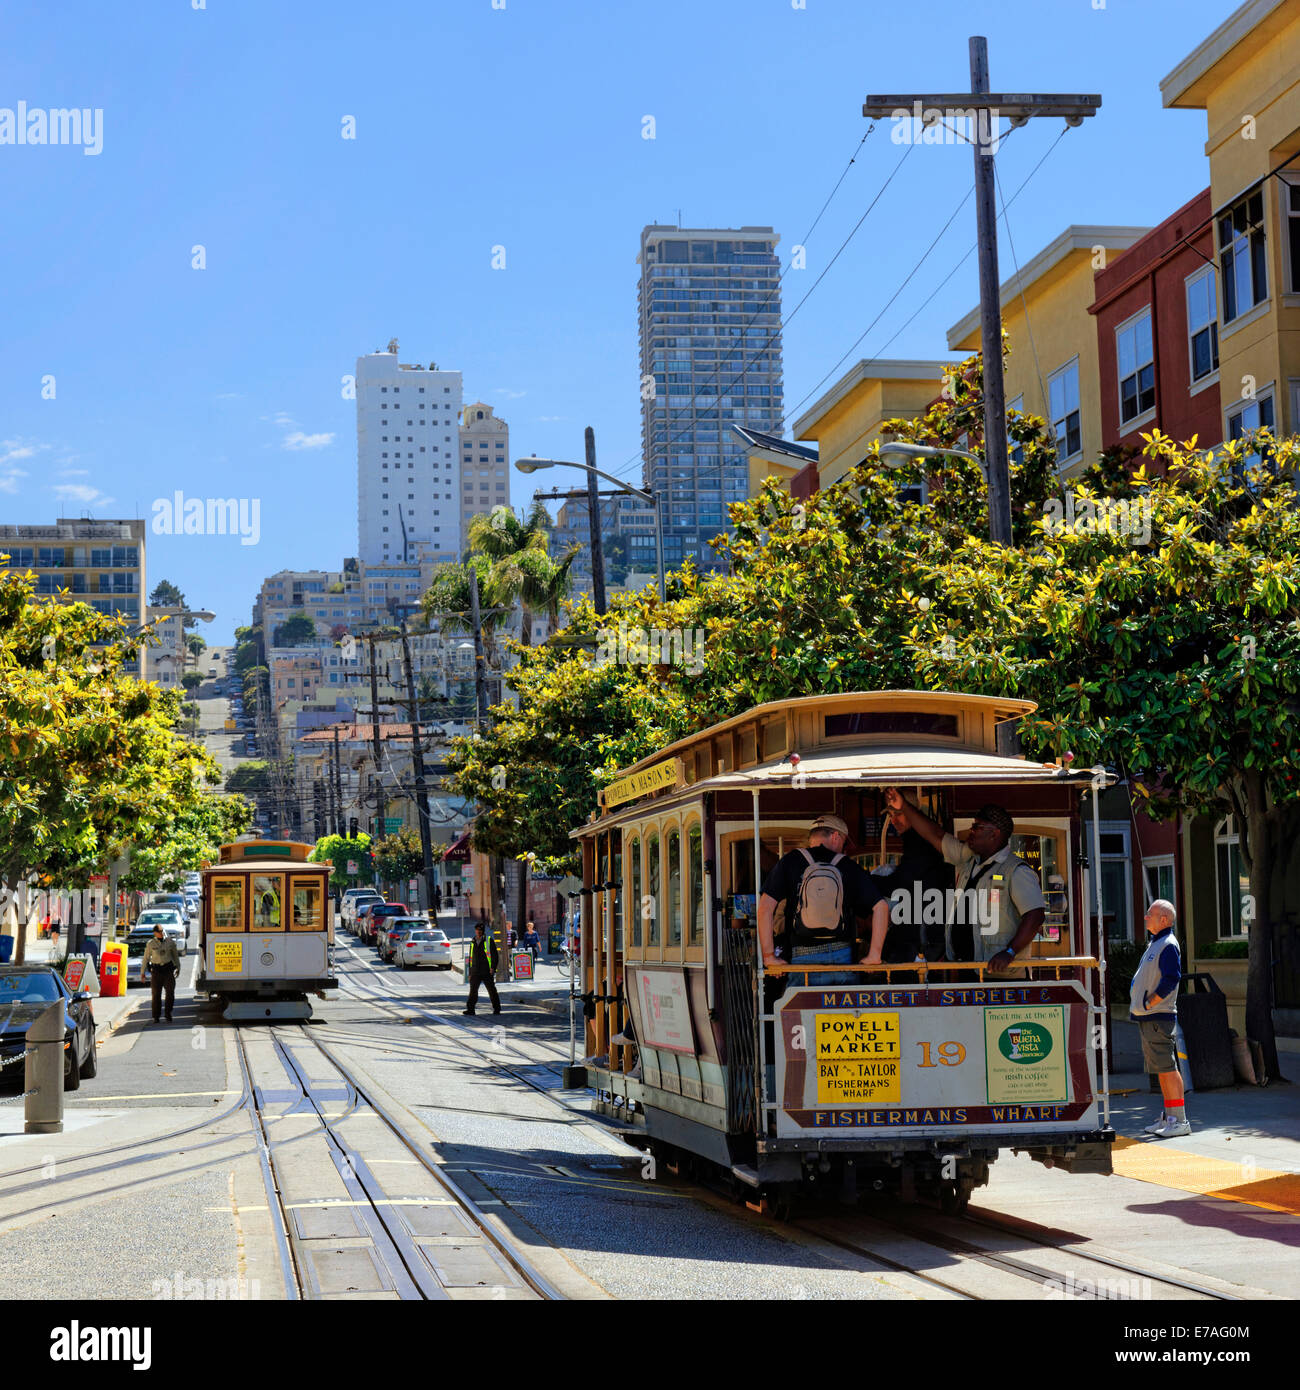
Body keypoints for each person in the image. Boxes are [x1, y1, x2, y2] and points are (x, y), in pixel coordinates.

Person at [883, 789, 1045, 972]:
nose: (971, 831)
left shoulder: (1015, 871)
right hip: (968, 969)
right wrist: (903, 806)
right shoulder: (967, 861)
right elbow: (934, 834)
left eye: (978, 828)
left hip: (999, 975)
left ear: (995, 834)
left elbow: (1035, 915)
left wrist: (1009, 952)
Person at [757, 814, 889, 987]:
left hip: (802, 957)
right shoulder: (847, 865)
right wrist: (874, 955)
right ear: (836, 836)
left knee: (802, 1011)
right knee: (846, 1013)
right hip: (842, 955)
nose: (844, 849)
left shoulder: (790, 861)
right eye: (844, 843)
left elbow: (765, 908)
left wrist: (769, 957)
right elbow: (881, 907)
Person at [1130, 899, 1189, 1138]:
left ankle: (1179, 1120)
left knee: (1167, 1069)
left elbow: (1172, 978)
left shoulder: (1167, 944)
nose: (1145, 918)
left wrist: (1151, 1001)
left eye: (1149, 914)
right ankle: (1170, 1117)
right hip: (1150, 1016)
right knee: (1162, 1069)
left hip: (1158, 1016)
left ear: (1163, 919)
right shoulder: (1158, 942)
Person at [871, 803, 955, 964]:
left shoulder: (920, 845)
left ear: (915, 815)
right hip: (924, 930)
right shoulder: (917, 842)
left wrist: (866, 880)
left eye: (898, 814)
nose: (894, 821)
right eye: (891, 816)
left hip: (921, 936)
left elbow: (899, 885)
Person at [141, 924, 181, 1024]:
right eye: (159, 931)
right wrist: (142, 973)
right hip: (156, 971)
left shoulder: (170, 942)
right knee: (156, 995)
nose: (161, 933)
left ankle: (168, 1013)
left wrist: (178, 967)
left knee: (170, 993)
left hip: (168, 970)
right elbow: (146, 958)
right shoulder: (150, 944)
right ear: (155, 933)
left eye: (162, 931)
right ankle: (156, 1016)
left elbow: (175, 956)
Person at [463, 922, 501, 1016]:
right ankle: (470, 1009)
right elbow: (471, 958)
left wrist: (493, 968)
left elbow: (495, 956)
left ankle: (497, 1008)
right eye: (477, 930)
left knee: (491, 990)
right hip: (475, 970)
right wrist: (470, 972)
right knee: (473, 991)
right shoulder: (473, 941)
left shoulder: (488, 940)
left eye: (480, 930)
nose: (478, 932)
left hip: (487, 970)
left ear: (483, 931)